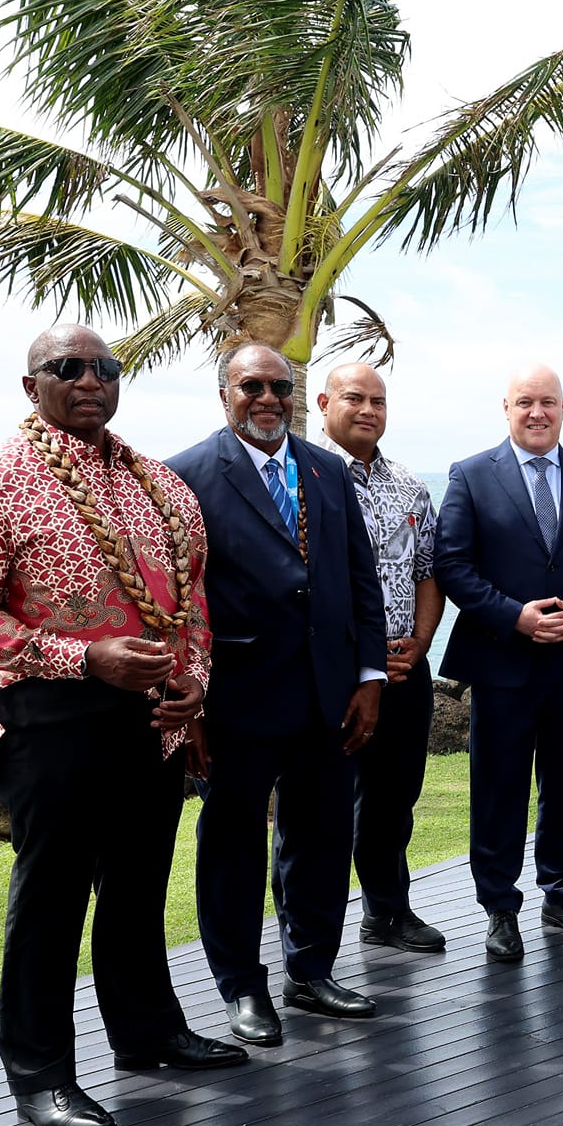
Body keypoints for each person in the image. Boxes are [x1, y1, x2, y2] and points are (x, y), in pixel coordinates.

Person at [0, 325, 245, 1126]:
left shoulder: (163, 488)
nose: (89, 381)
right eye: (66, 368)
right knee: (53, 898)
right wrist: (82, 657)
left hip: (152, 719)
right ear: (29, 383)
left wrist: (194, 687)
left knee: (139, 886)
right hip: (49, 715)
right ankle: (39, 1074)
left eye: (105, 368)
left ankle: (147, 1034)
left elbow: (195, 605)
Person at [168, 343, 387, 1046]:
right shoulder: (187, 475)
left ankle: (311, 969)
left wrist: (370, 678)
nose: (268, 398)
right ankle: (240, 986)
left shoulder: (323, 467)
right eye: (251, 386)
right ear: (224, 393)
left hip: (328, 692)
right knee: (231, 843)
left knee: (323, 834)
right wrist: (191, 704)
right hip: (237, 699)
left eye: (280, 387)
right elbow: (178, 600)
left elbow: (360, 579)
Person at [435, 365, 563, 963]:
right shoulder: (470, 475)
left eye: (547, 403)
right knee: (498, 787)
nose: (536, 413)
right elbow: (453, 565)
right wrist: (516, 616)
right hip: (501, 660)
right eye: (524, 403)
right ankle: (499, 907)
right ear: (505, 407)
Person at [314, 363, 447, 954]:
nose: (368, 410)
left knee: (395, 798)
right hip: (333, 672)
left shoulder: (409, 484)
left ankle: (387, 911)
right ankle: (305, 932)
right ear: (323, 403)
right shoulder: (301, 475)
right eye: (354, 398)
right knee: (318, 806)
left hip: (403, 669)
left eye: (378, 400)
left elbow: (428, 572)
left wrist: (419, 642)